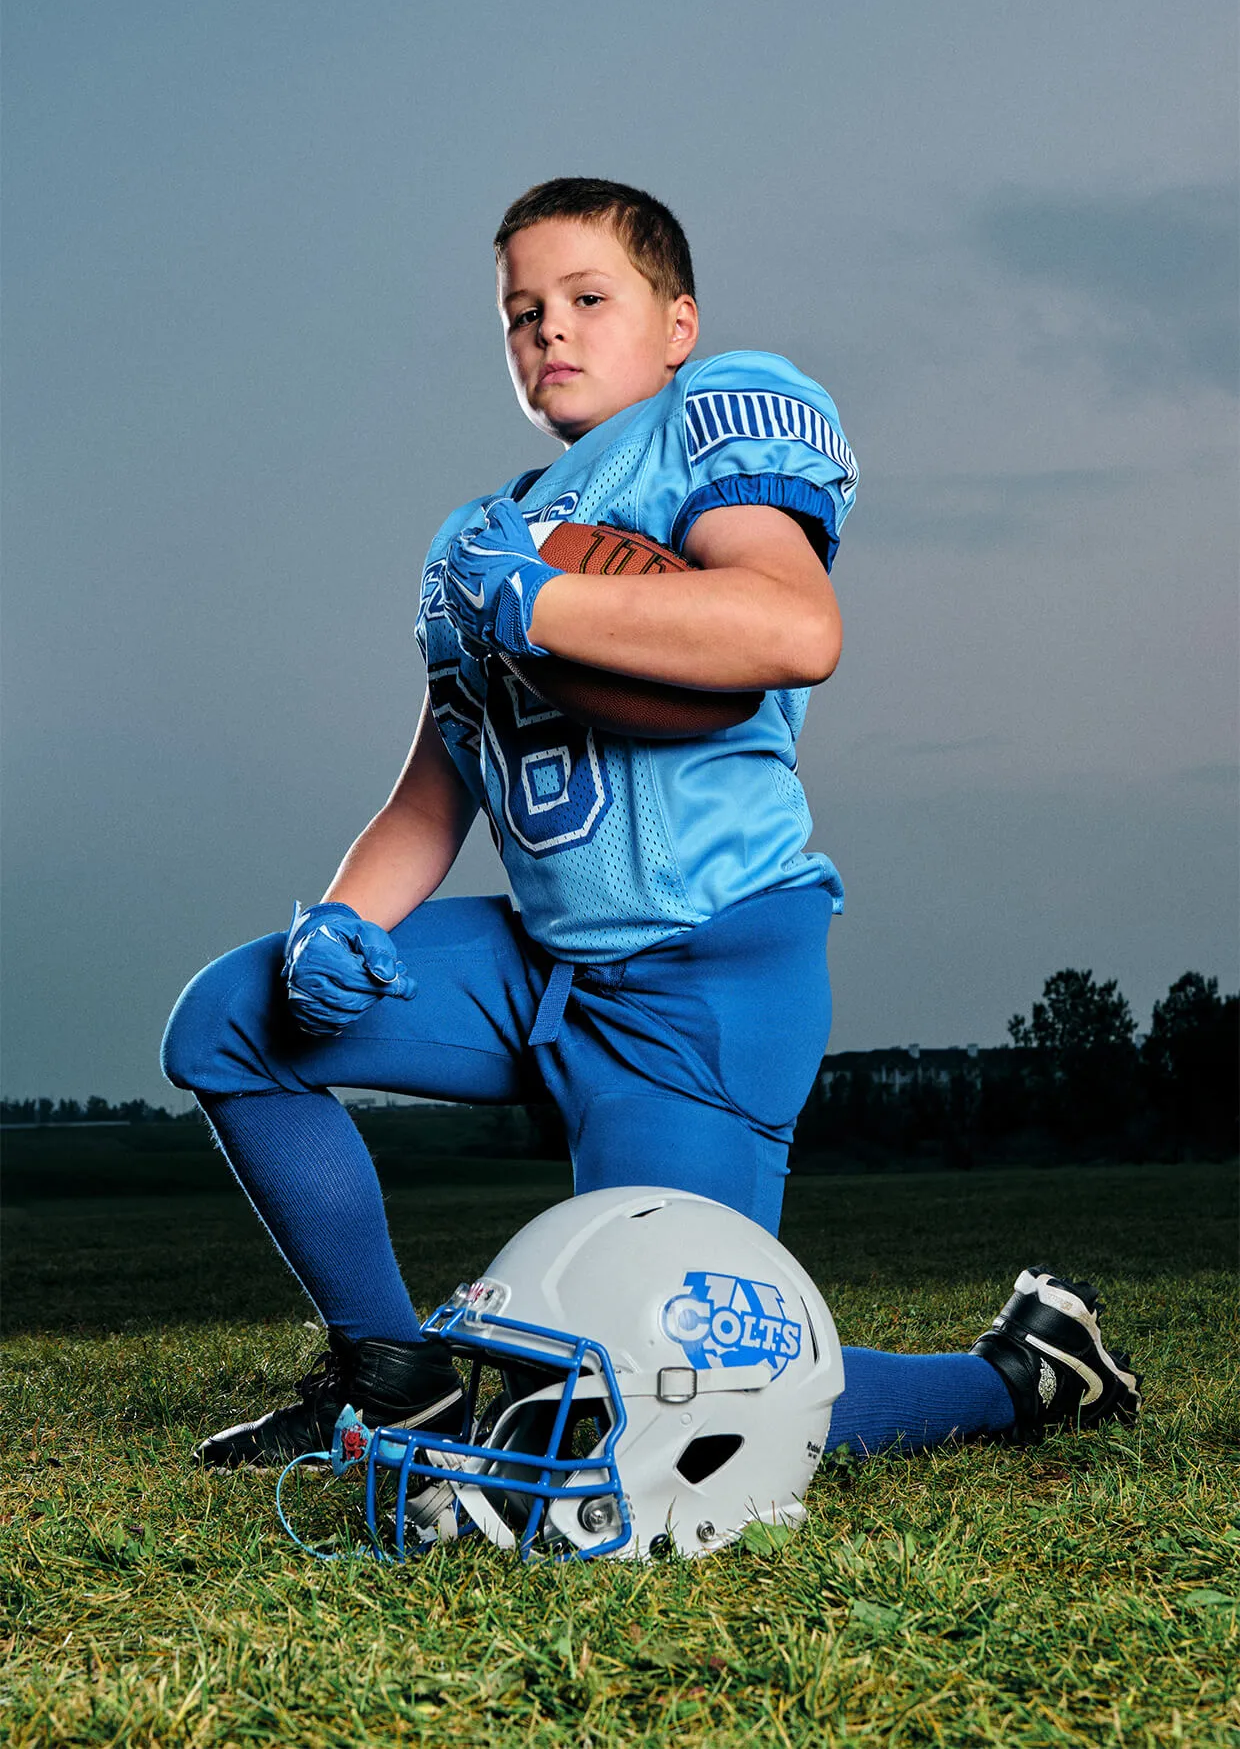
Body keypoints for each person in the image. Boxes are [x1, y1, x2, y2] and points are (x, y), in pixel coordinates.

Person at [162, 178, 1140, 1472]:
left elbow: (794, 629)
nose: (549, 331)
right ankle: (388, 1377)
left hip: (700, 975)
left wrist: (543, 608)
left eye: (586, 298)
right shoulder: (485, 537)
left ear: (677, 322)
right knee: (234, 1018)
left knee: (670, 1395)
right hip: (544, 963)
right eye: (521, 313)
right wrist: (349, 917)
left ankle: (1024, 1372)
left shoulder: (711, 412)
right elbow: (431, 789)